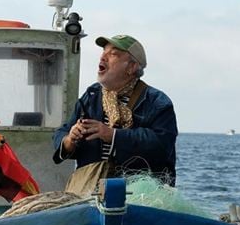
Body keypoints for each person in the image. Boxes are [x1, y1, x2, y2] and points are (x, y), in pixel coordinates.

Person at [52, 34, 177, 185]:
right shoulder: (91, 96)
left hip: (140, 195)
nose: (103, 57)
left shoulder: (157, 102)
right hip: (90, 191)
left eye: (113, 54)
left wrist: (113, 135)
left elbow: (162, 146)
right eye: (103, 51)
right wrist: (70, 140)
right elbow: (61, 133)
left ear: (131, 67)